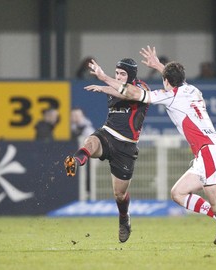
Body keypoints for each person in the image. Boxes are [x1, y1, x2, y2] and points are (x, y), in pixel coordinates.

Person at [84, 46, 216, 250]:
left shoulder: (170, 95)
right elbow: (175, 79)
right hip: (214, 151)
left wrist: (104, 78)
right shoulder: (193, 90)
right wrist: (158, 65)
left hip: (209, 152)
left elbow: (133, 93)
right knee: (178, 193)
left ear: (166, 81)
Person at [64, 58, 151, 243]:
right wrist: (106, 83)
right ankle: (75, 161)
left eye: (122, 74)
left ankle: (124, 218)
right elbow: (117, 91)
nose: (118, 76)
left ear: (132, 76)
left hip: (126, 146)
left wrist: (103, 82)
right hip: (108, 134)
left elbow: (130, 95)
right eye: (116, 73)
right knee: (91, 142)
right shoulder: (113, 86)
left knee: (119, 194)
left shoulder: (142, 88)